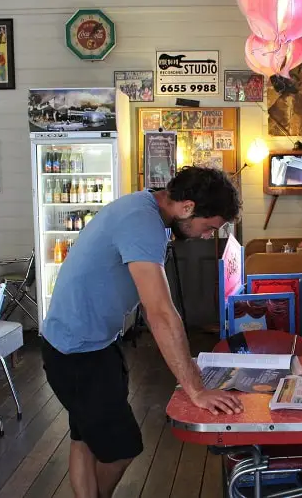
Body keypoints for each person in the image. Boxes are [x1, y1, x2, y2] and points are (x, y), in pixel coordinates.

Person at [41, 166, 244, 498]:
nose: (208, 236)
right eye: (209, 228)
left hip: (91, 342)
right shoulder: (143, 222)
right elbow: (160, 312)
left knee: (84, 437)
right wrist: (196, 390)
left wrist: (188, 367)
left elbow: (156, 313)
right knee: (122, 449)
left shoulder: (148, 207)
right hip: (75, 353)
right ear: (188, 207)